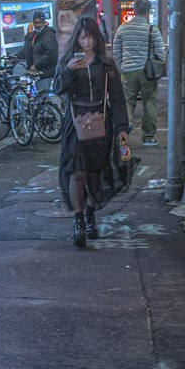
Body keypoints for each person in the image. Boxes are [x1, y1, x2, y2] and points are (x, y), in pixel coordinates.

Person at [54, 13, 129, 247]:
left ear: (96, 38)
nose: (86, 43)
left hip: (100, 120)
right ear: (77, 39)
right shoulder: (67, 60)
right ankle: (78, 221)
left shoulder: (105, 63)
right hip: (75, 122)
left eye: (90, 39)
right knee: (76, 172)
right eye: (83, 38)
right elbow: (57, 88)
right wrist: (67, 70)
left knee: (95, 172)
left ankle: (89, 215)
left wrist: (121, 128)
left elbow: (117, 96)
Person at [111, 0, 167, 147]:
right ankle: (148, 137)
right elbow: (161, 53)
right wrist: (157, 63)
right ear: (148, 11)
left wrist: (122, 66)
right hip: (147, 72)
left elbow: (116, 52)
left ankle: (123, 135)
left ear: (134, 10)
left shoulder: (122, 28)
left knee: (127, 103)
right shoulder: (152, 29)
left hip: (128, 71)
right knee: (149, 102)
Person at [23, 10, 57, 83]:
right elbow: (26, 50)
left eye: (40, 22)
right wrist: (13, 58)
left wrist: (36, 65)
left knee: (43, 93)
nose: (38, 25)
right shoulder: (32, 35)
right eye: (35, 22)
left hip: (45, 74)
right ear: (32, 23)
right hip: (34, 73)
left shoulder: (49, 35)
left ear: (44, 22)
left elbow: (50, 54)